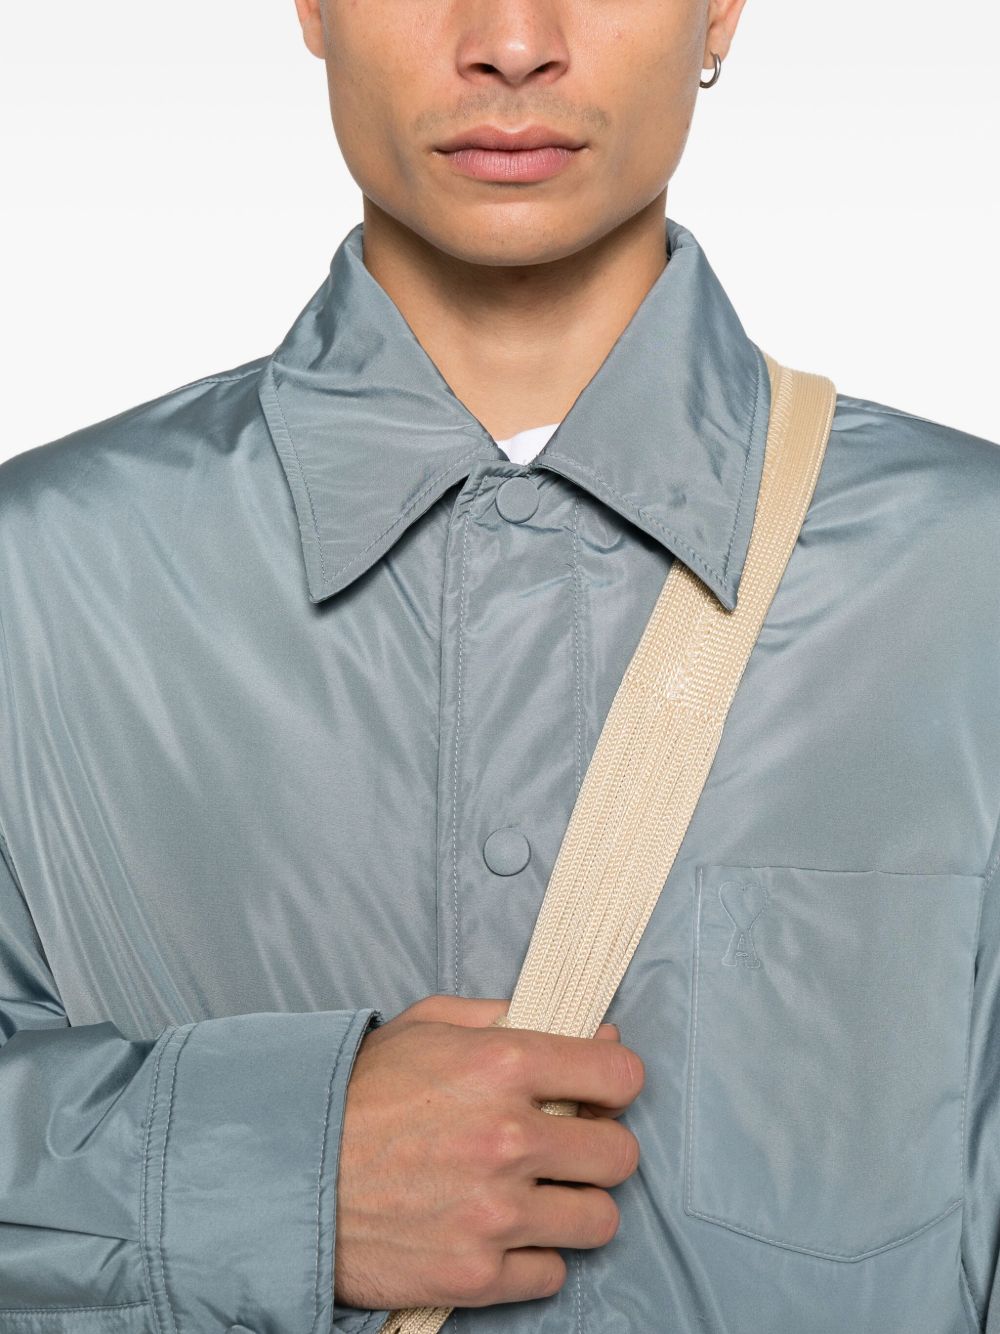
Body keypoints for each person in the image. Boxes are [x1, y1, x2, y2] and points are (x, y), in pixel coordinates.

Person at [1, 1, 998, 1331]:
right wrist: (269, 1175)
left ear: (720, 9)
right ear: (313, 7)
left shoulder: (969, 580)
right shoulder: (34, 580)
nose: (514, 41)